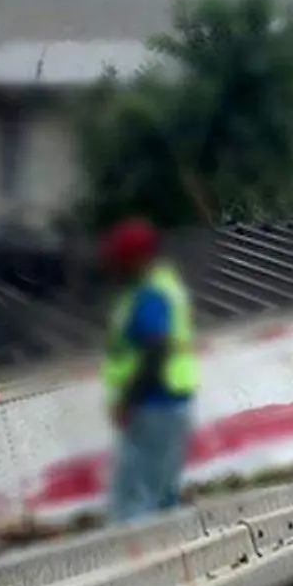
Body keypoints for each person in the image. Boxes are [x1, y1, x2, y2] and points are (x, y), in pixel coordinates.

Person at [101, 218, 199, 524]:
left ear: (138, 258)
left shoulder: (150, 295)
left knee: (135, 501)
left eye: (121, 259)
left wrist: (127, 400)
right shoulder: (164, 286)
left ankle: (135, 563)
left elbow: (154, 351)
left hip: (152, 404)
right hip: (169, 402)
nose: (116, 267)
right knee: (162, 494)